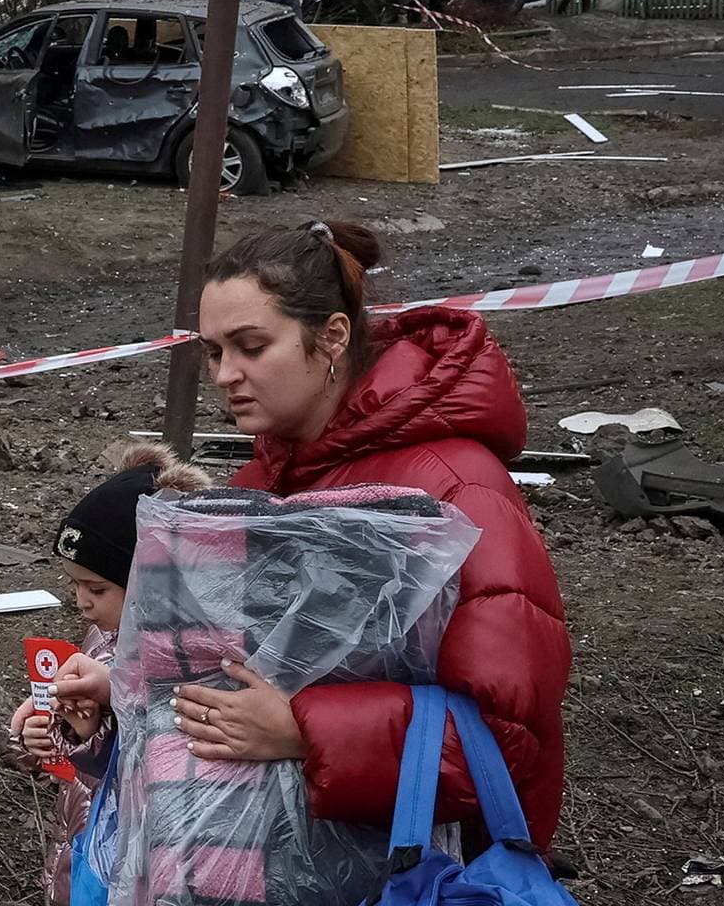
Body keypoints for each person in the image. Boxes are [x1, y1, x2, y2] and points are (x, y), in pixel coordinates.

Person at [52, 220, 570, 864]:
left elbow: (505, 736)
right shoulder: (256, 486)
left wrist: (304, 729)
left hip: (420, 874)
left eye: (251, 346)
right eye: (214, 352)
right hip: (273, 862)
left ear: (332, 336)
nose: (225, 374)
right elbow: (222, 673)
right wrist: (117, 692)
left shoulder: (455, 488)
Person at [12, 444, 210, 905]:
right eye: (74, 585)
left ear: (147, 579)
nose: (81, 602)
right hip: (83, 832)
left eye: (97, 588)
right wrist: (45, 734)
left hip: (131, 853)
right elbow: (87, 757)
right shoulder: (102, 636)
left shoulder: (185, 659)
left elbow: (148, 763)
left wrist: (93, 726)